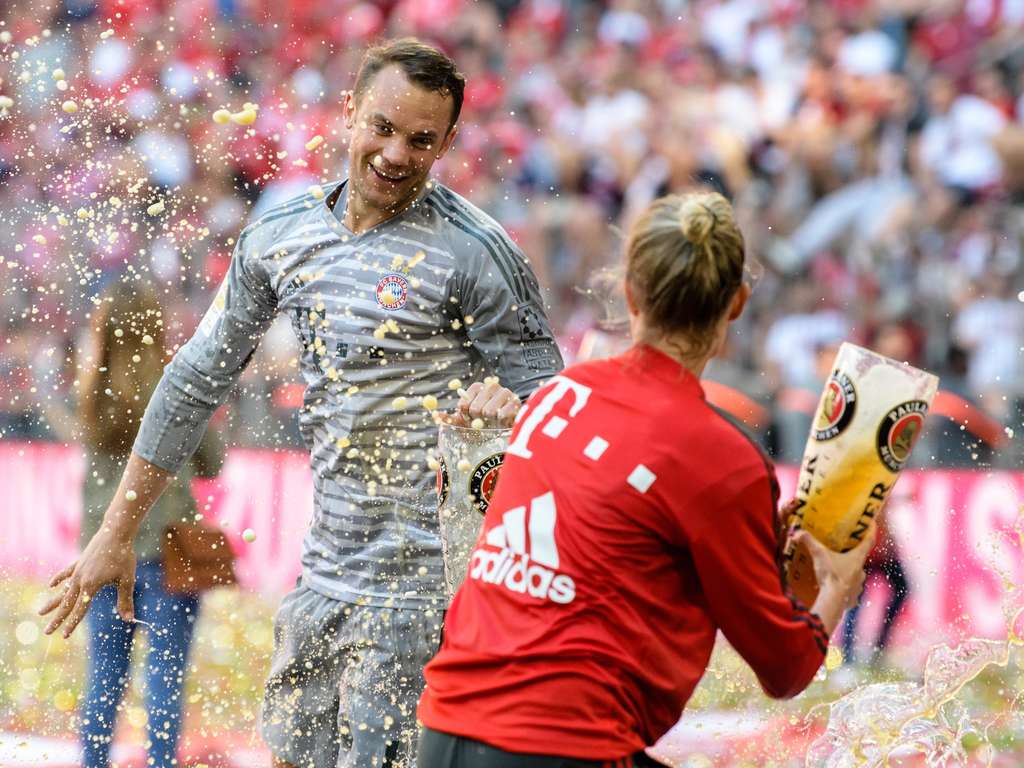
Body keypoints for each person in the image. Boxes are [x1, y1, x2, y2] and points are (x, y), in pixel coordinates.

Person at [40, 38, 563, 768]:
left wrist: (511, 415)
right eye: (382, 127)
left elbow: (556, 407)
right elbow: (194, 381)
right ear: (349, 113)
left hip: (428, 595)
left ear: (447, 143)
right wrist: (117, 531)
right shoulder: (282, 238)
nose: (395, 154)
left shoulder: (478, 253)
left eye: (420, 140)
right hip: (321, 578)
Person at [417, 192, 875, 767]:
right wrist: (837, 586)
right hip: (563, 747)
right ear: (736, 303)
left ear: (629, 291)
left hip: (442, 727)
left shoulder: (559, 393)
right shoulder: (722, 459)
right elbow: (785, 669)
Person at [55, 281, 224, 768]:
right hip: (170, 549)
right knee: (165, 677)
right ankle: (161, 763)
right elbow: (212, 463)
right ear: (157, 329)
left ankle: (93, 762)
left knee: (104, 676)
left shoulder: (92, 391)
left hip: (104, 552)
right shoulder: (179, 389)